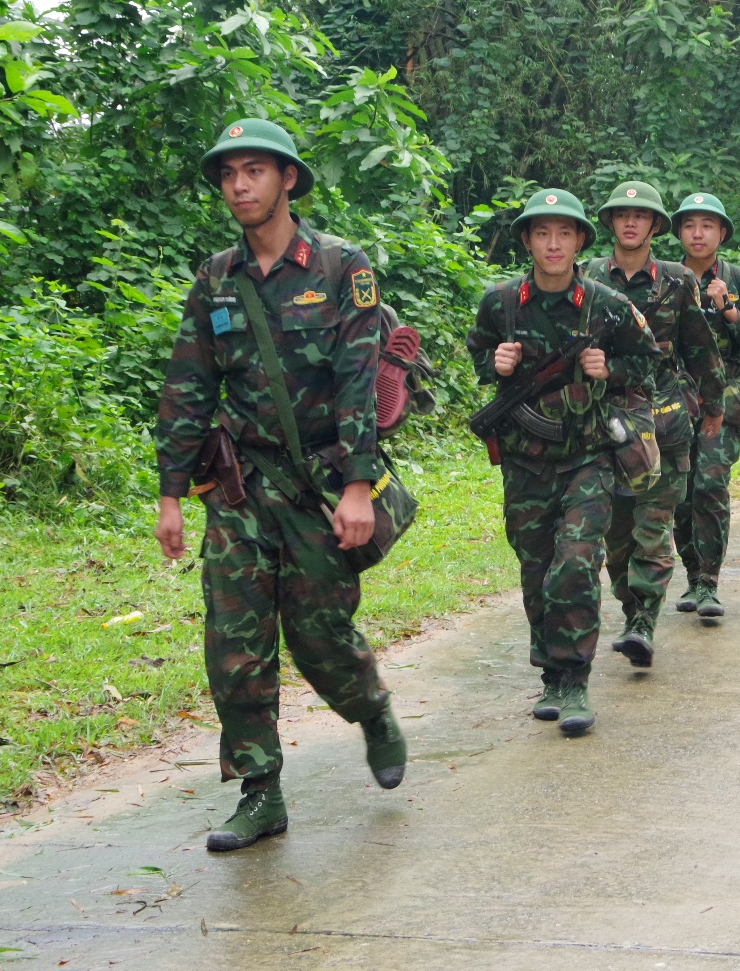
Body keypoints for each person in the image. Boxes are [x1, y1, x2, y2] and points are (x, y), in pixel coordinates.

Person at [155, 119, 407, 853]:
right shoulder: (215, 278)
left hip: (321, 483)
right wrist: (171, 493)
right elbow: (189, 386)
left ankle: (371, 709)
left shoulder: (341, 268)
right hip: (240, 486)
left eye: (254, 171)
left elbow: (360, 382)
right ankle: (259, 792)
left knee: (320, 635)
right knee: (233, 639)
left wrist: (358, 486)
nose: (239, 185)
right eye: (229, 173)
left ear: (287, 178)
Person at [467, 189, 660, 735]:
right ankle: (549, 670)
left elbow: (648, 364)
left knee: (575, 561)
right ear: (527, 240)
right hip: (525, 461)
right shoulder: (501, 303)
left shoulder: (609, 307)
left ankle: (575, 678)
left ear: (580, 241)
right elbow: (476, 351)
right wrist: (495, 363)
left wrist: (610, 369)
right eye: (542, 233)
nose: (554, 244)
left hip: (588, 457)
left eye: (565, 233)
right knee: (536, 567)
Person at [580, 183, 725, 669]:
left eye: (640, 216)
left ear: (655, 226)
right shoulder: (588, 277)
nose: (630, 222)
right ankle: (631, 609)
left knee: (653, 527)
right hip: (604, 423)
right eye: (621, 214)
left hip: (664, 420)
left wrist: (714, 403)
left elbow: (699, 345)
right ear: (610, 223)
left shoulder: (678, 279)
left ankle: (643, 622)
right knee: (616, 539)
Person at [670, 192, 740, 621]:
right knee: (680, 492)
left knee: (710, 482)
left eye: (707, 225)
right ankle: (693, 574)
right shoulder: (665, 278)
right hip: (673, 399)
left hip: (724, 397)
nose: (698, 233)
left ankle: (709, 582)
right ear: (677, 231)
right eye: (690, 225)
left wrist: (729, 310)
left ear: (722, 234)